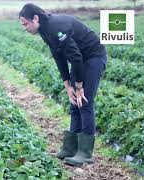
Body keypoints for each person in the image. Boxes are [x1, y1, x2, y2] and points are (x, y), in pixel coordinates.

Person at [19, 3, 107, 167]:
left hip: (93, 57)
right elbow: (58, 56)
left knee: (84, 101)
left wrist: (79, 87)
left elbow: (75, 57)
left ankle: (85, 153)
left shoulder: (56, 27)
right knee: (74, 102)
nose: (25, 27)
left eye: (25, 23)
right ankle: (70, 147)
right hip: (79, 60)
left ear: (35, 18)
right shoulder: (44, 30)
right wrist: (67, 84)